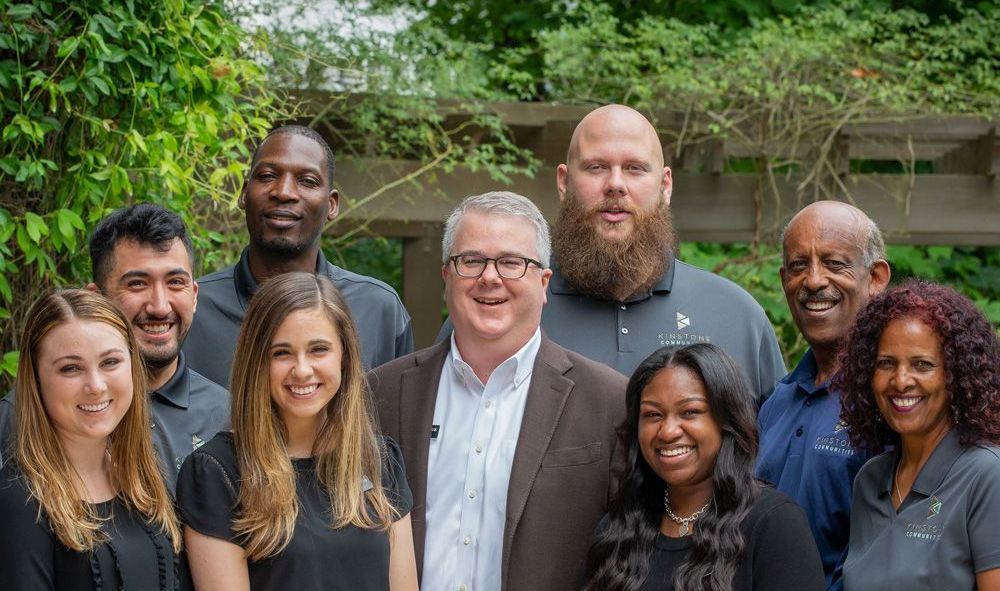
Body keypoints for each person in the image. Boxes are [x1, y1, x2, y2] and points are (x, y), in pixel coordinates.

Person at [437, 105, 784, 401]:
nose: (615, 184)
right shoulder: (495, 308)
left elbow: (773, 464)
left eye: (635, 168)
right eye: (596, 167)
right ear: (564, 182)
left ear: (665, 185)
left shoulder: (737, 317)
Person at [371, 191, 628, 591]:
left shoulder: (609, 402)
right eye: (471, 260)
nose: (490, 277)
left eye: (512, 262)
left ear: (544, 282)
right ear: (447, 277)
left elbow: (630, 556)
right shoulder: (379, 394)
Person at [176, 272, 417, 590]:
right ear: (257, 362)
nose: (302, 370)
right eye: (282, 353)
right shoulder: (216, 473)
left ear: (344, 357)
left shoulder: (381, 460)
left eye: (319, 350)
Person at [184, 125, 412, 388]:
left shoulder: (379, 310)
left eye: (307, 181)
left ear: (332, 204)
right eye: (268, 176)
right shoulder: (193, 310)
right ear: (244, 193)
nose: (284, 192)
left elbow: (399, 421)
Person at [585, 344, 825, 591]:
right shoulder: (620, 527)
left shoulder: (774, 525)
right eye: (653, 415)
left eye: (690, 412)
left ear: (726, 420)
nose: (668, 431)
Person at [0, 289, 184, 590]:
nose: (96, 386)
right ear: (35, 380)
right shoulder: (19, 502)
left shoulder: (143, 477)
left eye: (110, 362)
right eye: (71, 368)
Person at [754, 201, 890, 590]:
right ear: (784, 280)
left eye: (834, 263)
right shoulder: (776, 402)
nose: (813, 281)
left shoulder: (894, 400)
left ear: (876, 278)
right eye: (798, 266)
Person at [833, 280, 1000, 591]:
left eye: (922, 365)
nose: (901, 380)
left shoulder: (987, 475)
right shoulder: (870, 480)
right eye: (886, 364)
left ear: (956, 375)